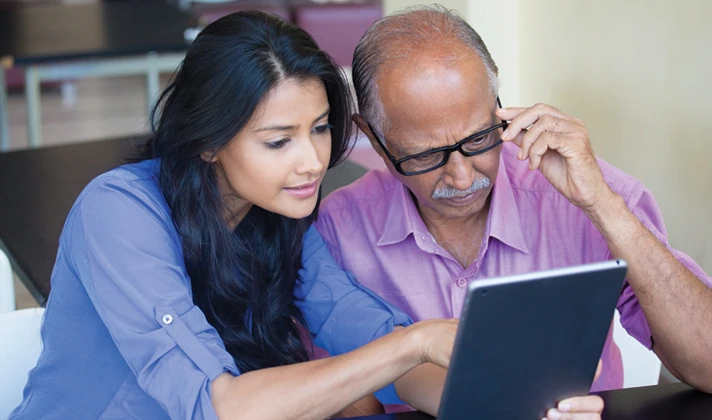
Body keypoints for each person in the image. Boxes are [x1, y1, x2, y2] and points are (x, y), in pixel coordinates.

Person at [9, 11, 464, 420]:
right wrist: (412, 342)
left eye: (320, 128)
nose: (312, 161)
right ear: (208, 141)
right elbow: (217, 406)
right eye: (278, 141)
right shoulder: (118, 212)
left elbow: (364, 328)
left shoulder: (278, 219)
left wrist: (500, 403)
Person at [315, 4, 712, 416]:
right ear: (372, 136)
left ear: (499, 105)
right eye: (425, 156)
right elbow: (345, 398)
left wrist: (602, 205)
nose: (461, 177)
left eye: (479, 139)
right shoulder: (337, 231)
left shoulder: (584, 193)